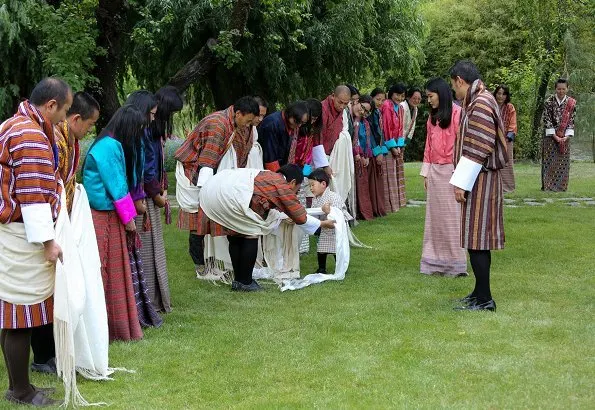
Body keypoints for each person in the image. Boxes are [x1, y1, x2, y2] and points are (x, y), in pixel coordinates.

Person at [0, 77, 72, 406]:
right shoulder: (29, 134)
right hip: (21, 235)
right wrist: (47, 242)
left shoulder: (16, 124)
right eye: (65, 111)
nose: (64, 119)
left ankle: (19, 387)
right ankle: (21, 391)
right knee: (19, 315)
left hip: (15, 231)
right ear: (51, 105)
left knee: (13, 315)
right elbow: (31, 193)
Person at [196, 164, 335, 291]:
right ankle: (245, 281)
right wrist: (322, 224)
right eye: (296, 190)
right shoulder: (281, 183)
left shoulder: (266, 175)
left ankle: (238, 281)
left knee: (236, 234)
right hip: (227, 194)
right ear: (292, 183)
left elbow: (272, 209)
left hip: (211, 190)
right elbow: (299, 215)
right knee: (250, 232)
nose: (295, 194)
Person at [83, 104, 153, 341]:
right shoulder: (110, 146)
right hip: (105, 217)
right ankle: (111, 329)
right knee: (109, 273)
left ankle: (108, 328)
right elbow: (117, 186)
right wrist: (129, 218)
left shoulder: (106, 142)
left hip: (105, 214)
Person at [174, 96, 259, 276]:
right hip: (194, 172)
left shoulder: (231, 123)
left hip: (207, 170)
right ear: (238, 114)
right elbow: (207, 161)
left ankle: (212, 263)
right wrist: (208, 193)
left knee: (208, 217)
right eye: (248, 121)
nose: (248, 125)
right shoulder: (219, 125)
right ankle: (201, 266)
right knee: (198, 219)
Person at [449, 60, 507, 312]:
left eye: (454, 86)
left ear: (460, 81)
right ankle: (479, 292)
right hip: (478, 178)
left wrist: (461, 183)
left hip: (480, 180)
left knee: (478, 240)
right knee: (475, 240)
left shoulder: (481, 102)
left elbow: (479, 147)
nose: (454, 91)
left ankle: (485, 300)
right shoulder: (478, 100)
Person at [139, 86, 183, 312]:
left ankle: (155, 299)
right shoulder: (146, 130)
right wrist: (156, 195)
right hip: (144, 196)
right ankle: (149, 302)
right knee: (146, 248)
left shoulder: (152, 130)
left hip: (150, 193)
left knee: (153, 246)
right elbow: (146, 166)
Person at [124, 91, 164, 328]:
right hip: (133, 201)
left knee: (145, 252)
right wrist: (146, 196)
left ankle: (148, 303)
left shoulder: (141, 133)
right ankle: (142, 305)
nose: (152, 120)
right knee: (140, 252)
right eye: (151, 114)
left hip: (137, 197)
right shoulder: (133, 136)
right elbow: (135, 171)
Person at [420, 78, 467, 277]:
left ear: (441, 93)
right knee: (435, 219)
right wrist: (425, 172)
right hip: (435, 172)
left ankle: (455, 263)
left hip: (453, 171)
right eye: (427, 97)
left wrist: (461, 176)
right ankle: (434, 262)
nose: (428, 100)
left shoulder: (458, 114)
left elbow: (464, 147)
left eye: (431, 96)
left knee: (452, 218)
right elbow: (428, 147)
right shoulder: (432, 118)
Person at [55, 92, 100, 214]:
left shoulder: (70, 140)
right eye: (90, 124)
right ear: (76, 119)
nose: (90, 129)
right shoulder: (56, 142)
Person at [309, 168, 352, 274]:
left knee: (337, 248)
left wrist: (328, 212)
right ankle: (322, 268)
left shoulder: (334, 197)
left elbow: (338, 214)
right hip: (325, 227)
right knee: (321, 249)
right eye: (310, 186)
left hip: (336, 228)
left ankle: (341, 266)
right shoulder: (315, 199)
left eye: (312, 185)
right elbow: (315, 213)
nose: (311, 188)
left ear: (323, 184)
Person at [319, 85, 354, 203]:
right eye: (340, 102)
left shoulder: (343, 111)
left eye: (346, 103)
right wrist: (324, 164)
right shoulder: (322, 109)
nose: (342, 106)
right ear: (333, 96)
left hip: (335, 155)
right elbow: (317, 139)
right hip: (320, 156)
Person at [541, 78, 577, 192]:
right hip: (550, 137)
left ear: (567, 88)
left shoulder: (571, 103)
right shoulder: (549, 101)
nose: (561, 91)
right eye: (559, 89)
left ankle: (561, 187)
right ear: (555, 89)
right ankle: (548, 186)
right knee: (549, 161)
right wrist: (555, 136)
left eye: (563, 89)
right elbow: (547, 119)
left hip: (565, 137)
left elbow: (571, 120)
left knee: (563, 162)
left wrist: (566, 136)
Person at [259, 101, 310, 171]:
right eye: (297, 121)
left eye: (302, 123)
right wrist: (280, 177)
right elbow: (270, 158)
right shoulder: (272, 124)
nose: (299, 125)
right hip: (267, 167)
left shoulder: (291, 125)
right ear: (290, 114)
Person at [380, 83, 407, 212]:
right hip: (387, 146)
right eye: (397, 94)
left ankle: (396, 204)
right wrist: (392, 147)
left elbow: (401, 127)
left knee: (396, 174)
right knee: (388, 176)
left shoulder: (400, 108)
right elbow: (386, 127)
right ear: (391, 93)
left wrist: (400, 145)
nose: (399, 98)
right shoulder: (387, 105)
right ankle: (388, 206)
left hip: (397, 145)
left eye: (402, 95)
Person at [351, 95, 375, 220]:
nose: (362, 112)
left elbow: (367, 141)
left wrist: (367, 156)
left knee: (363, 185)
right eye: (362, 108)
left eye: (366, 111)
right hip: (354, 157)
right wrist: (357, 153)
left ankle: (364, 212)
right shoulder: (352, 120)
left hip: (363, 158)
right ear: (357, 102)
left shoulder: (364, 123)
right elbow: (354, 140)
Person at [493, 85, 517, 193]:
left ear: (506, 95)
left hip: (507, 139)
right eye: (499, 93)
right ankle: (495, 186)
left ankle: (508, 187)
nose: (501, 96)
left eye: (503, 94)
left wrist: (507, 137)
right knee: (494, 162)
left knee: (507, 162)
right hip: (493, 139)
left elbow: (513, 124)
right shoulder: (491, 105)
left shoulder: (510, 107)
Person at [368, 88, 387, 217]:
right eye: (377, 99)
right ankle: (374, 208)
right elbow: (370, 135)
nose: (380, 102)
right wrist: (377, 152)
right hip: (372, 151)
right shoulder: (370, 114)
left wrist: (382, 150)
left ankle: (378, 208)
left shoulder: (378, 113)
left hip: (379, 149)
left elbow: (381, 133)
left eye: (382, 100)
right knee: (372, 181)